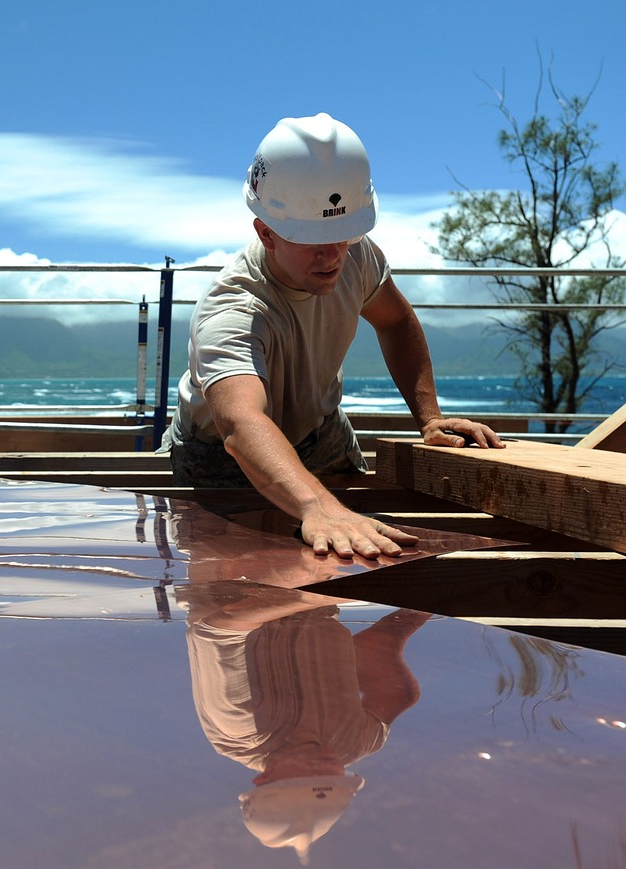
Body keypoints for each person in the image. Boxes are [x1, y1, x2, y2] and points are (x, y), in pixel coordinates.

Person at [162, 112, 504, 559]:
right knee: (250, 586)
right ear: (266, 232)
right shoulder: (234, 311)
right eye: (312, 240)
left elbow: (395, 321)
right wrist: (317, 506)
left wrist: (429, 418)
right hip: (220, 458)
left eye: (343, 234)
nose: (332, 256)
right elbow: (241, 426)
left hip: (319, 433)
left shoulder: (355, 256)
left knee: (362, 555)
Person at [180, 580, 432, 864]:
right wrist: (417, 610)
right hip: (318, 597)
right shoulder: (352, 746)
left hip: (236, 584)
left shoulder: (242, 728)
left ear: (265, 778)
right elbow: (401, 696)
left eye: (310, 775)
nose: (327, 766)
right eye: (333, 779)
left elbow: (222, 625)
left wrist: (323, 594)